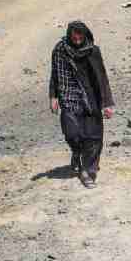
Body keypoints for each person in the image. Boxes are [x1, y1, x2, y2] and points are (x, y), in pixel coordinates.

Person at [48, 21, 115, 189]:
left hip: (91, 99)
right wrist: (53, 96)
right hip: (69, 97)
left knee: (93, 137)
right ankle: (76, 152)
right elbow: (55, 74)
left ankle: (88, 171)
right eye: (74, 34)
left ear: (85, 35)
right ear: (70, 35)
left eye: (80, 34)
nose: (77, 38)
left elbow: (102, 77)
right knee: (72, 134)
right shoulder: (60, 50)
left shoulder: (93, 51)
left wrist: (107, 103)